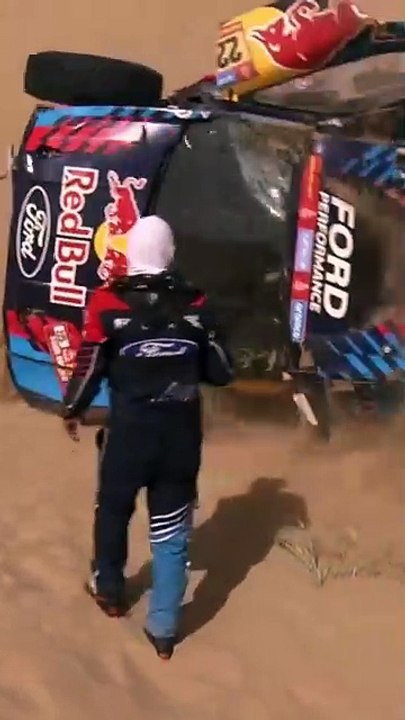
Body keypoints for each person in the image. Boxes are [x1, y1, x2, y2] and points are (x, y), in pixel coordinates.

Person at [62, 215, 233, 659]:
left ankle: (110, 591)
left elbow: (89, 365)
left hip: (129, 437)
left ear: (131, 252)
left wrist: (72, 409)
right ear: (170, 253)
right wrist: (203, 337)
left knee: (113, 509)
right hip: (180, 439)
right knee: (172, 536)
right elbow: (221, 372)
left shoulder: (107, 303)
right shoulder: (197, 304)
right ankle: (163, 631)